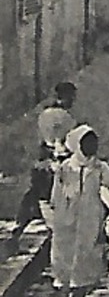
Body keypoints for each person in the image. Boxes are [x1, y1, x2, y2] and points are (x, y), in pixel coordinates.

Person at [50, 125, 109, 297]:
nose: (90, 148)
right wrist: (58, 218)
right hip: (66, 221)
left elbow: (106, 189)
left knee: (86, 260)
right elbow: (55, 196)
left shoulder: (100, 168)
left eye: (92, 143)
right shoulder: (65, 168)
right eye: (86, 144)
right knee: (65, 260)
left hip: (90, 220)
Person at [6, 82, 78, 254]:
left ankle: (17, 231)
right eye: (72, 97)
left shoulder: (44, 114)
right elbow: (64, 144)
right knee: (56, 201)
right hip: (56, 164)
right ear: (67, 97)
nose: (73, 101)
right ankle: (61, 242)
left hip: (41, 163)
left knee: (34, 198)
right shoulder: (64, 117)